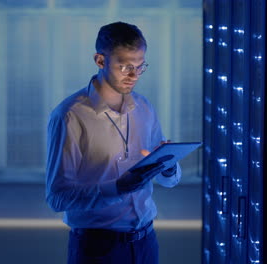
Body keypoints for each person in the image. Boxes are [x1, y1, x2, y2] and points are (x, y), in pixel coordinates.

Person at [45, 21, 181, 264]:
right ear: (100, 61)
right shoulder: (70, 116)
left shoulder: (144, 108)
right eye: (125, 66)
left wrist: (168, 166)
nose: (134, 76)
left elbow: (166, 180)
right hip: (97, 248)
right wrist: (117, 187)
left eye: (140, 67)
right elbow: (57, 198)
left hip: (146, 241)